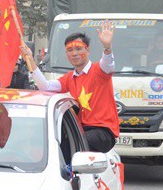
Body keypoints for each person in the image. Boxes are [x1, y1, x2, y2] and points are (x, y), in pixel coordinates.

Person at [20, 21, 119, 153]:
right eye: (70, 50)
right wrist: (30, 59)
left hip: (102, 132)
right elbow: (45, 86)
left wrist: (107, 48)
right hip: (82, 130)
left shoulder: (99, 70)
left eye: (78, 49)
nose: (74, 54)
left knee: (71, 146)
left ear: (87, 50)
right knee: (56, 143)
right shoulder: (69, 78)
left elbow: (108, 63)